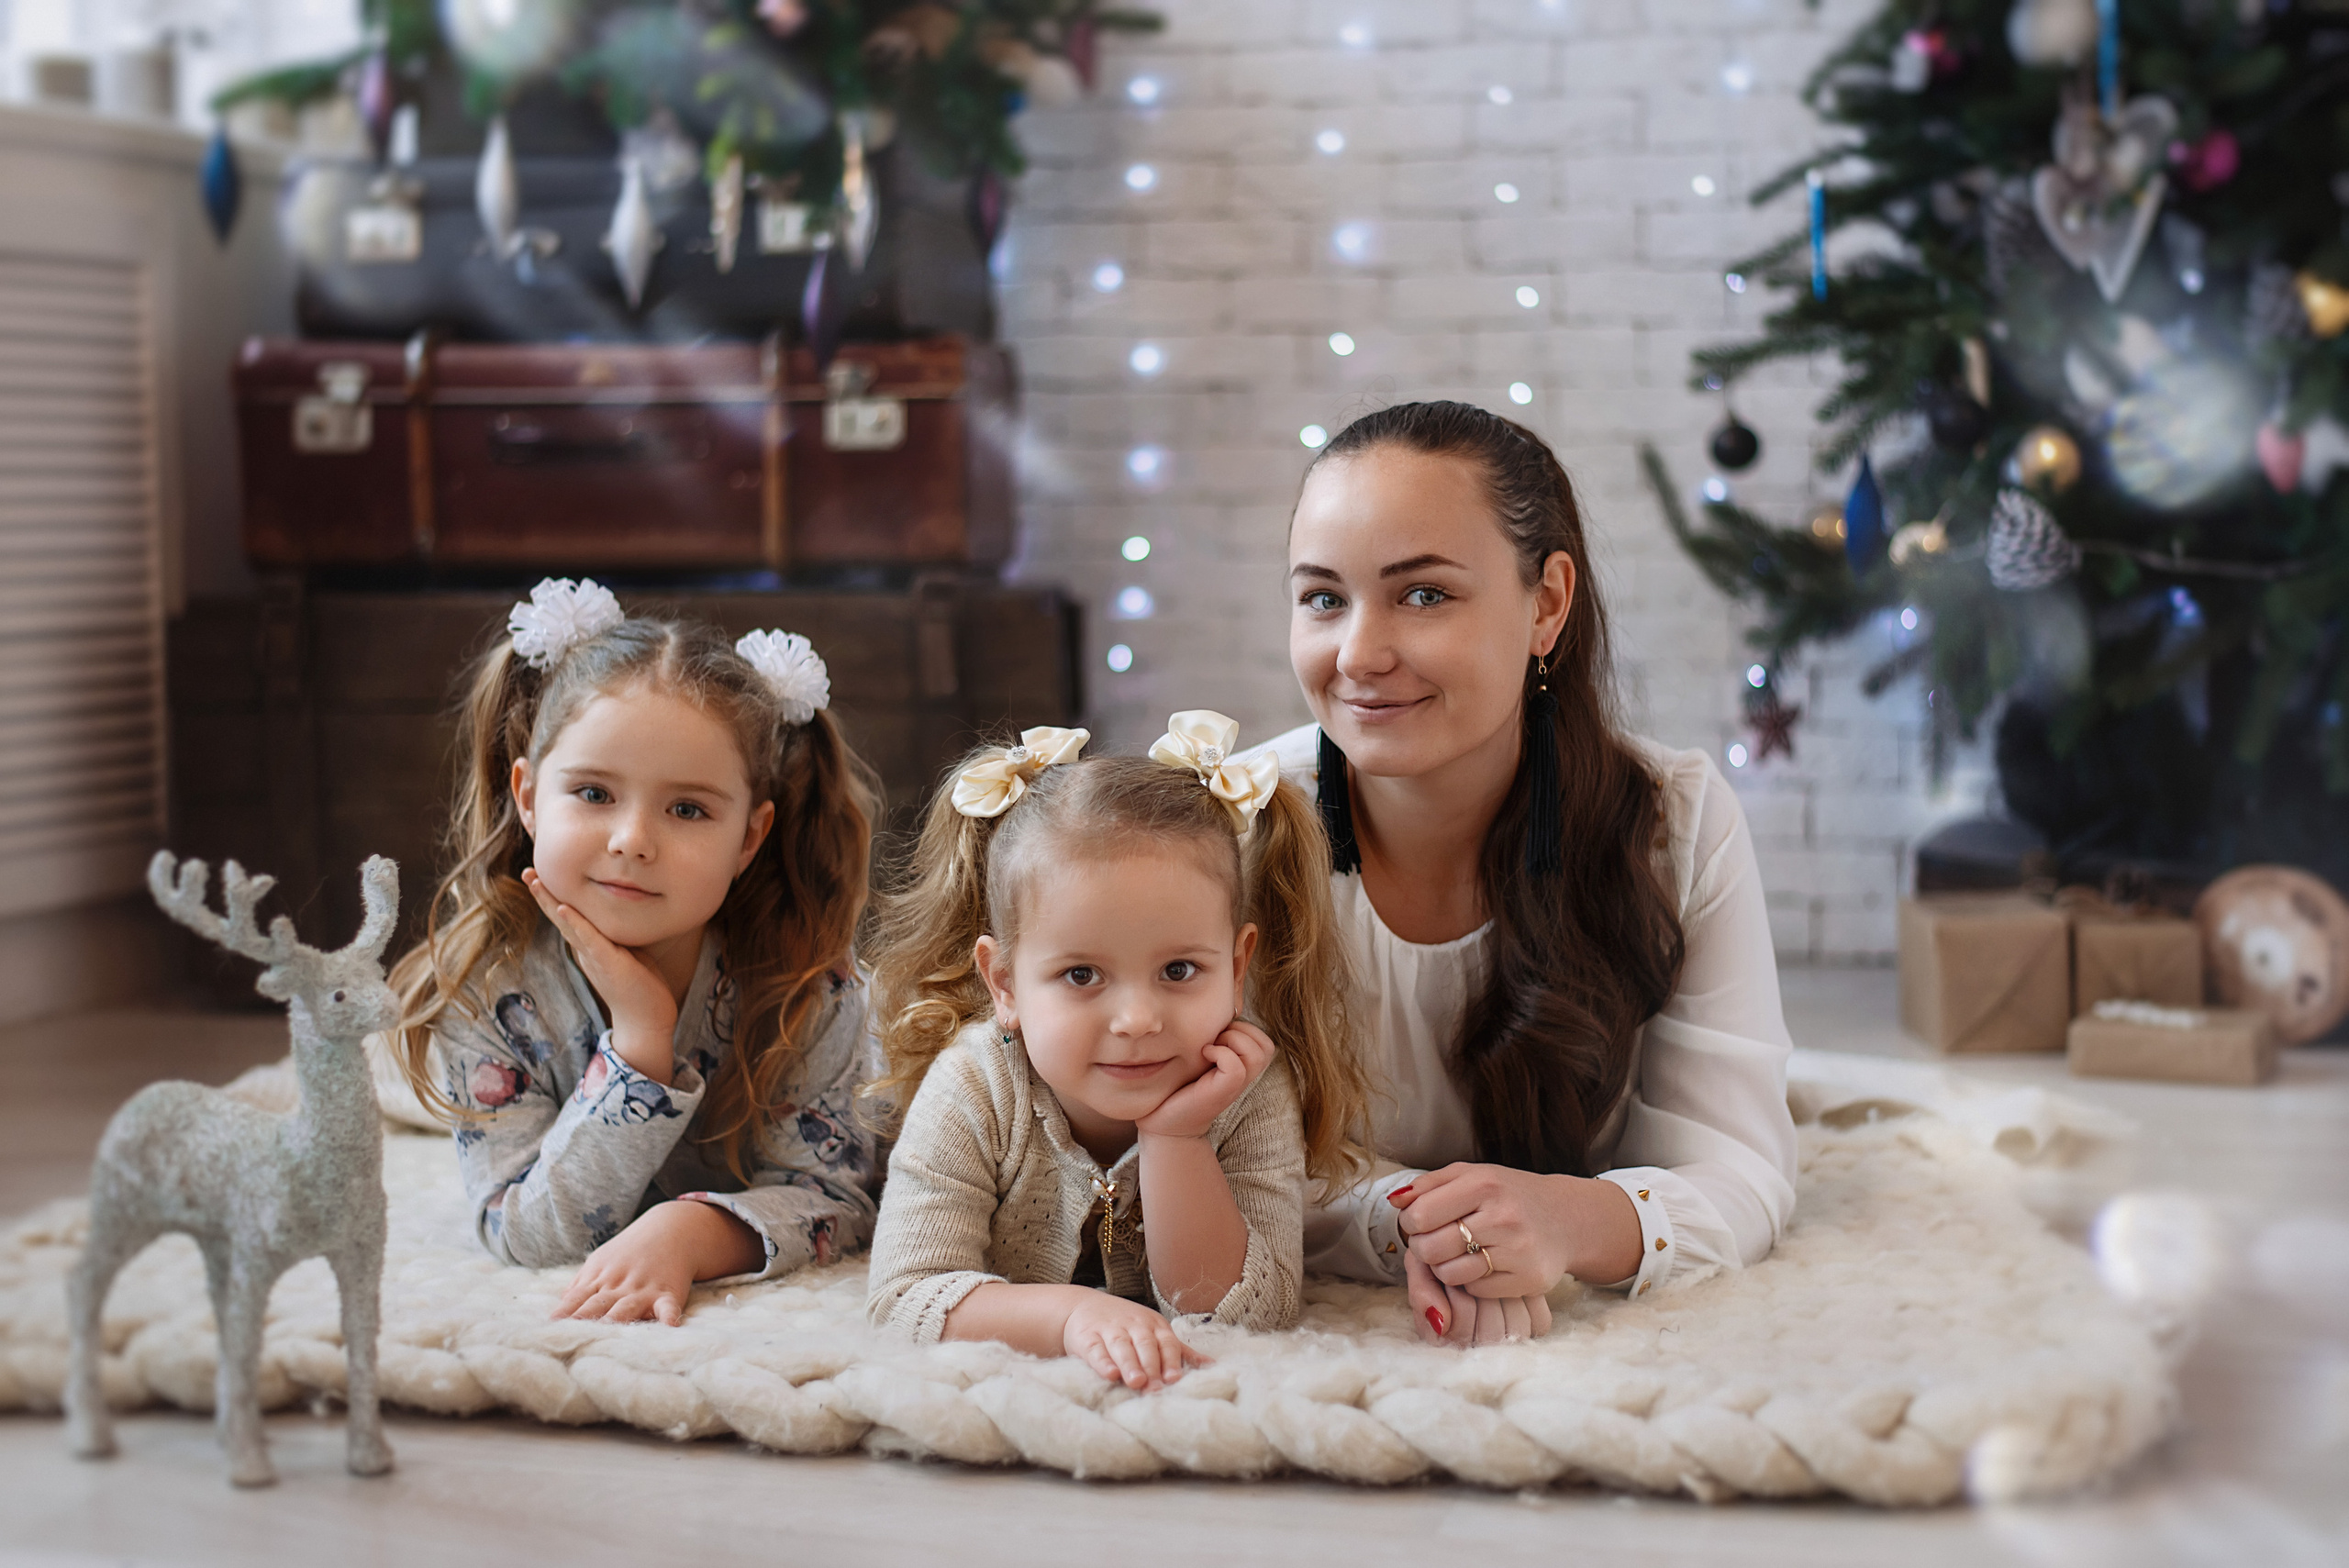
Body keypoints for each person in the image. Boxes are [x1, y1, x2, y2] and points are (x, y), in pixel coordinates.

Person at [1262, 401, 1798, 1347]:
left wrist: (1563, 1220)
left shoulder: (1672, 819)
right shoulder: (1237, 823)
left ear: (1546, 602)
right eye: (1322, 598)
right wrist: (1422, 1223)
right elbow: (1202, 1158)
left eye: (1422, 594)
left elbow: (1740, 1168)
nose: (1358, 653)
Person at [390, 578, 882, 1326]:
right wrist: (640, 1046)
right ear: (528, 796)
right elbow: (524, 1232)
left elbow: (837, 1200)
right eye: (592, 793)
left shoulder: (810, 984)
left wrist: (691, 1231)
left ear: (749, 834)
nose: (632, 840)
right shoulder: (482, 987)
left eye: (687, 809)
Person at [863, 713, 1368, 1391]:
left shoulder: (1247, 1087)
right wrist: (1068, 1314)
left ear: (1238, 965)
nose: (1135, 1019)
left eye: (1180, 971)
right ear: (1004, 983)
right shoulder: (975, 1082)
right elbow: (906, 1297)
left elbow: (1252, 1314)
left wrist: (1176, 1138)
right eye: (1081, 975)